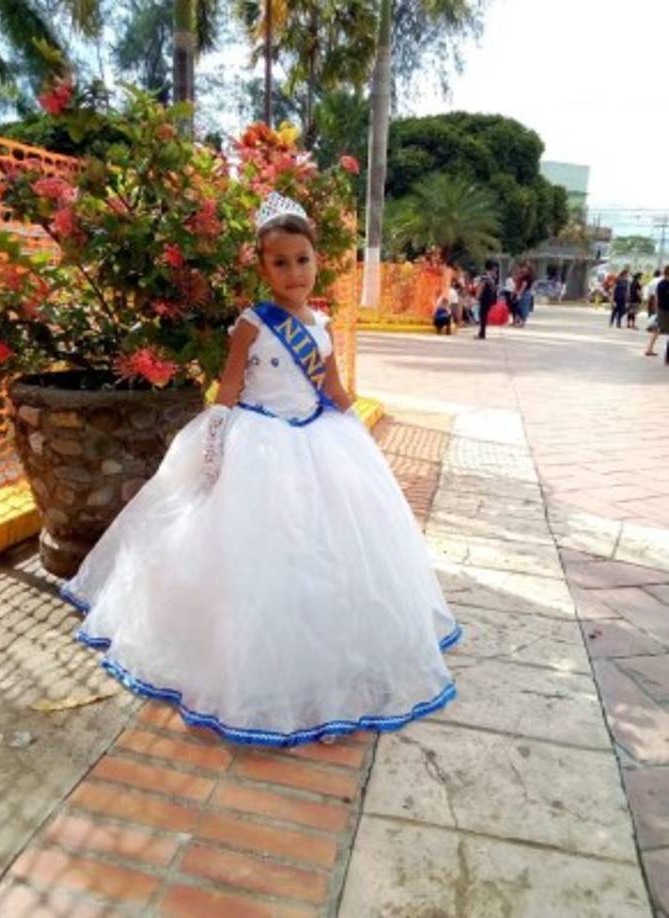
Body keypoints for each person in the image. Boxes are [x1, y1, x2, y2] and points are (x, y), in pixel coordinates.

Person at [59, 192, 461, 747]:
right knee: (247, 553)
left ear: (318, 261)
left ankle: (320, 649)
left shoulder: (321, 325)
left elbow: (334, 389)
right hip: (257, 440)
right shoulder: (252, 323)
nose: (294, 272)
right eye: (280, 262)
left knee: (327, 551)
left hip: (316, 441)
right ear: (262, 266)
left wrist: (358, 439)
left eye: (303, 259)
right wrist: (216, 434)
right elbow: (229, 384)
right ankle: (237, 659)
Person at [645, 264, 669, 361]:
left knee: (657, 330)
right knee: (658, 330)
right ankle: (650, 349)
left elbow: (657, 298)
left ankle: (650, 348)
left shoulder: (661, 283)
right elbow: (658, 298)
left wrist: (656, 310)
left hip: (661, 310)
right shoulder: (662, 284)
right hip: (664, 310)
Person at [475, 260, 499, 339]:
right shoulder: (494, 276)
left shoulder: (485, 275)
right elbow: (495, 288)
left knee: (482, 315)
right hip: (491, 297)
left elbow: (481, 286)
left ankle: (482, 333)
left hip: (485, 296)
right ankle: (482, 332)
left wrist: (477, 296)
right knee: (484, 315)